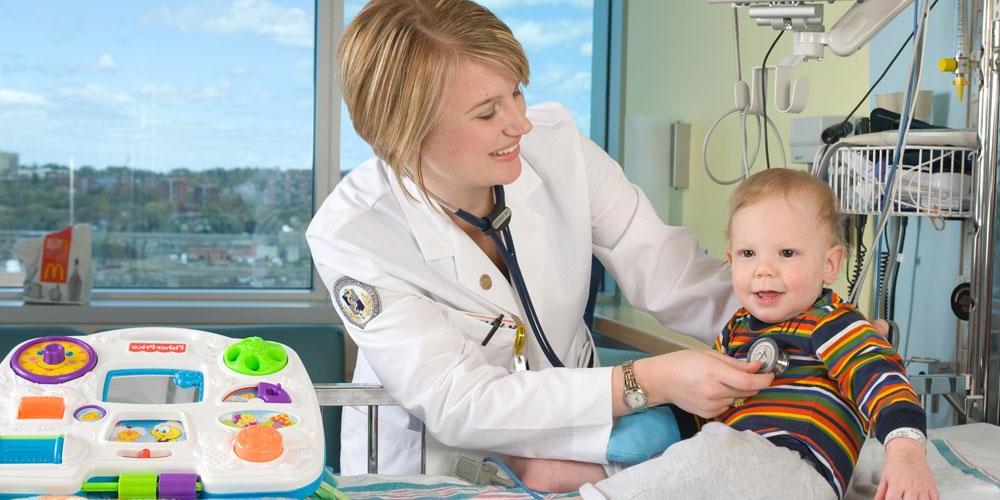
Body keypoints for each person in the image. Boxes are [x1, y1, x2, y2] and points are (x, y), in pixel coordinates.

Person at [306, 0, 776, 476]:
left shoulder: (559, 147)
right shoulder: (353, 235)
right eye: (488, 113)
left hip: (581, 448)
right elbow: (460, 400)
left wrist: (802, 323)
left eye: (517, 93)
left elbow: (673, 276)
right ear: (406, 132)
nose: (520, 124)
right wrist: (647, 381)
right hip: (432, 464)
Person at [543, 169, 936, 499]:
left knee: (711, 457)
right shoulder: (738, 328)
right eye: (749, 254)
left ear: (830, 265)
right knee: (680, 452)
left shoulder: (834, 323)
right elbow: (709, 405)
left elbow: (883, 380)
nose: (763, 270)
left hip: (793, 464)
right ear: (731, 259)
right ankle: (589, 473)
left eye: (786, 254)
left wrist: (905, 453)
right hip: (739, 466)